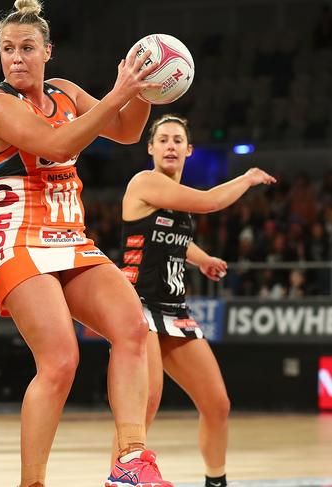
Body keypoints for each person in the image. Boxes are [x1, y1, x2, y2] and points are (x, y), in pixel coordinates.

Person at [0, 1, 171, 486]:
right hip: (17, 238)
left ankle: (130, 461)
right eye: (7, 49)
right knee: (61, 360)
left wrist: (143, 90)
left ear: (48, 52)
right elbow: (58, 146)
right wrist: (116, 93)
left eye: (26, 48)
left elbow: (126, 132)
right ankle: (33, 482)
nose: (16, 58)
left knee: (133, 330)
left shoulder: (63, 91)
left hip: (69, 238)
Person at [118, 114, 276, 487]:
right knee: (145, 405)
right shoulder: (145, 182)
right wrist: (246, 178)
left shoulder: (175, 196)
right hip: (138, 307)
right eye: (164, 139)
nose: (171, 145)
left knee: (217, 404)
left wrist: (201, 258)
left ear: (189, 150)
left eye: (178, 140)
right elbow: (208, 201)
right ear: (151, 148)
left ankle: (215, 481)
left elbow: (171, 239)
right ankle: (122, 478)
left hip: (175, 311)